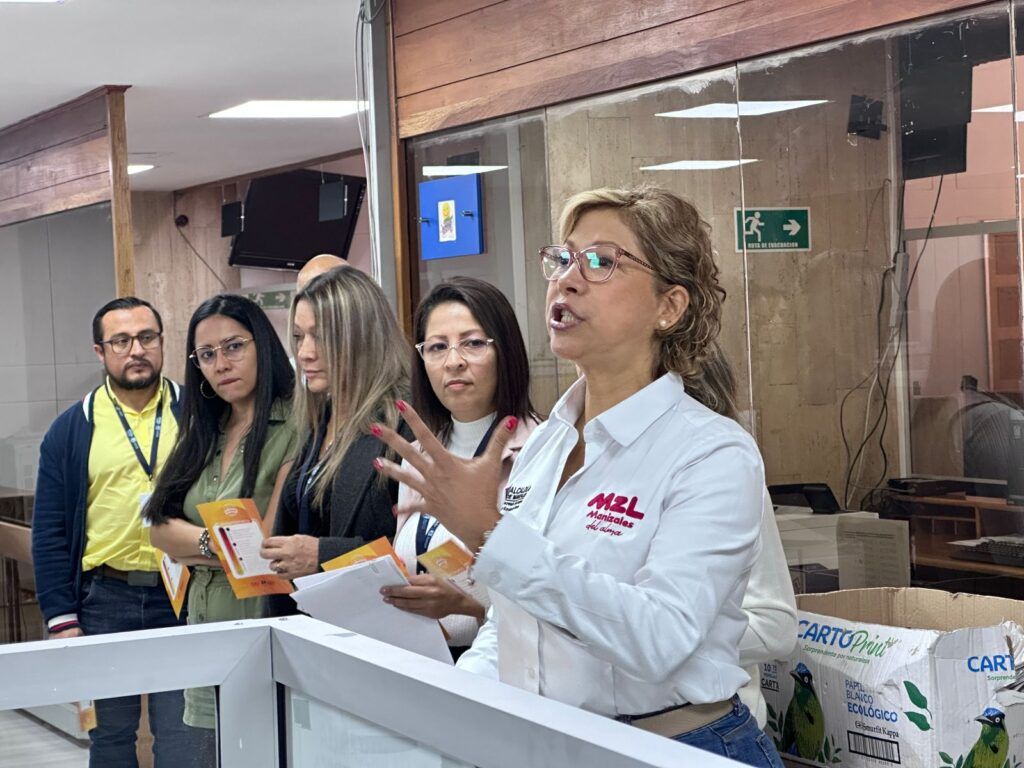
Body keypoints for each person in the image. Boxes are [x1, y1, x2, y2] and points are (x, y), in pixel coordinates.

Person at [373, 186, 784, 766]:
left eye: (601, 261)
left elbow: (659, 638)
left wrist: (493, 535)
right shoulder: (544, 447)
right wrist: (458, 707)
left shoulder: (711, 453)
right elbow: (517, 620)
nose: (566, 280)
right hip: (550, 742)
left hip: (674, 747)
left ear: (669, 307)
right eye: (563, 259)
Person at [32, 296, 196, 767]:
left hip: (181, 594)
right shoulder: (70, 430)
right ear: (100, 352)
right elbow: (49, 531)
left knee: (183, 736)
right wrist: (61, 618)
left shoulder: (199, 416)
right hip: (103, 598)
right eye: (120, 341)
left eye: (146, 337)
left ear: (162, 344)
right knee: (110, 739)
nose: (135, 350)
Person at [144, 294, 297, 753]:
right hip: (203, 622)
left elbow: (266, 549)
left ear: (263, 346)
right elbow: (156, 529)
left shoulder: (295, 424)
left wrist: (193, 544)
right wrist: (218, 545)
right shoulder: (204, 429)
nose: (220, 364)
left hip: (264, 628)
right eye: (206, 355)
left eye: (234, 347)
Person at [381, 277, 540, 660]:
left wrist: (467, 606)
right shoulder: (419, 453)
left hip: (505, 670)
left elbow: (550, 595)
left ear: (507, 352)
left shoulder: (542, 449)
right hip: (422, 663)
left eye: (472, 343)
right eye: (437, 347)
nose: (454, 361)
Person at [262, 266, 409, 615]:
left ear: (362, 337)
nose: (305, 353)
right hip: (310, 634)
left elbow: (414, 554)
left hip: (375, 635)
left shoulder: (403, 424)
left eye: (321, 336)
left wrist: (324, 555)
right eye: (299, 337)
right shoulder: (320, 419)